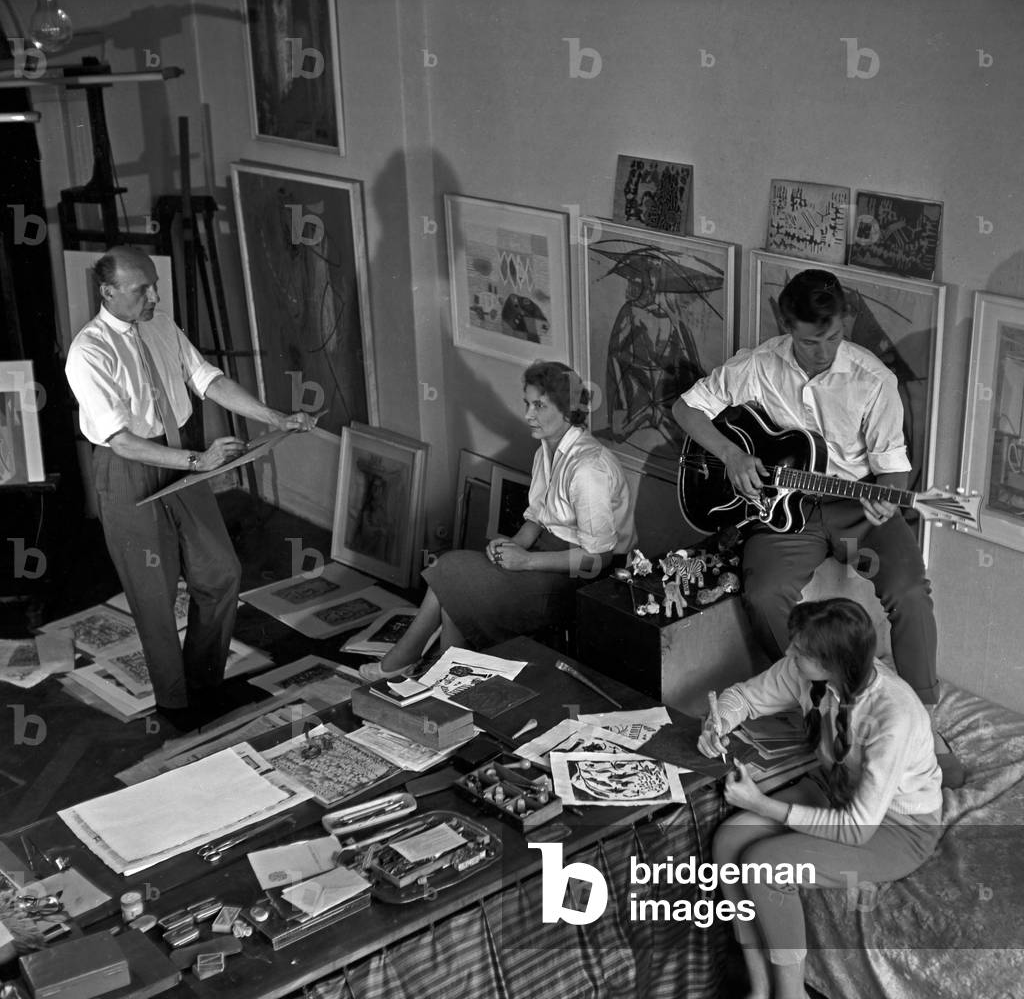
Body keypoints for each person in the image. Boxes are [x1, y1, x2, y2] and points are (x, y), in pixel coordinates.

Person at [671, 269, 963, 782]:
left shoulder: (874, 380)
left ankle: (925, 722)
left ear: (844, 322)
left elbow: (894, 467)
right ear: (787, 326)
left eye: (833, 337)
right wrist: (733, 455)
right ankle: (817, 704)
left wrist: (888, 499)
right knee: (764, 592)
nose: (824, 350)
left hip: (859, 508)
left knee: (909, 590)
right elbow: (686, 408)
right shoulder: (757, 365)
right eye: (810, 341)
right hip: (787, 510)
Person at [65, 246, 316, 730]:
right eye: (143, 290)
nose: (155, 296)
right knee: (153, 593)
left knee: (220, 572)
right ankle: (175, 707)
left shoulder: (160, 325)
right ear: (109, 292)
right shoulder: (89, 351)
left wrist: (275, 417)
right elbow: (122, 441)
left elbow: (209, 380)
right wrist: (199, 461)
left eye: (155, 284)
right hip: (130, 468)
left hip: (181, 458)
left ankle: (204, 685)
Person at [698, 597, 942, 999]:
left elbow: (858, 829)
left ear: (833, 663)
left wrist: (760, 804)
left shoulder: (893, 715)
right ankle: (759, 988)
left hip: (897, 828)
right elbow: (743, 697)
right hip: (835, 790)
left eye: (802, 652)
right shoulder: (805, 672)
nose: (790, 654)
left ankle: (791, 995)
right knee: (728, 841)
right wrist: (719, 721)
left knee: (764, 866)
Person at [359, 361, 636, 681]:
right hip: (543, 557)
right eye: (527, 404)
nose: (528, 415)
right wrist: (514, 544)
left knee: (453, 577)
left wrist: (526, 561)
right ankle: (441, 675)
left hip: (577, 578)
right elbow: (538, 517)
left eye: (539, 405)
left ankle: (419, 666)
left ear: (567, 411)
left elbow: (597, 560)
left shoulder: (588, 469)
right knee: (454, 580)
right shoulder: (546, 450)